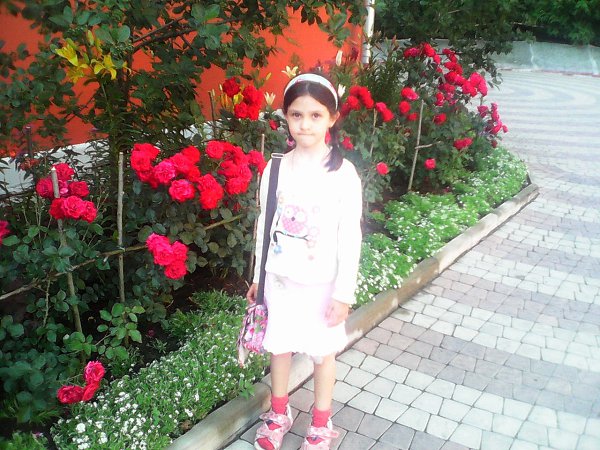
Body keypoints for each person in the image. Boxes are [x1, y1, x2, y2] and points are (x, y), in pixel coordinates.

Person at [246, 72, 363, 450]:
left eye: (315, 115)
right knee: (279, 347)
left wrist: (343, 294)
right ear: (285, 116)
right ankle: (279, 413)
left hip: (322, 285)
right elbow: (265, 225)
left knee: (322, 354)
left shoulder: (343, 174)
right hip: (280, 280)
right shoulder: (276, 167)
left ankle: (321, 423)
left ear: (332, 118)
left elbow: (351, 236)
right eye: (296, 115)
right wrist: (258, 278)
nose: (305, 124)